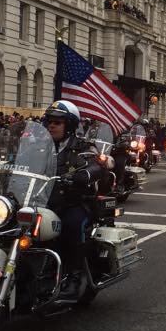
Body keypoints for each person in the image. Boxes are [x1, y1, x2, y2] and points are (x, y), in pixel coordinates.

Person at [42, 100, 100, 298]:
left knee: (72, 225)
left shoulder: (83, 146)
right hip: (41, 202)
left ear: (70, 125)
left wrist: (84, 174)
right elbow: (18, 160)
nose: (51, 125)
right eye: (49, 121)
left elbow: (95, 164)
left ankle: (75, 276)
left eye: (57, 122)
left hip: (71, 202)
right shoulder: (38, 146)